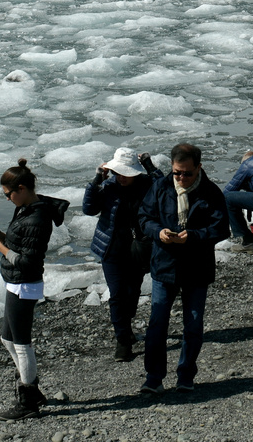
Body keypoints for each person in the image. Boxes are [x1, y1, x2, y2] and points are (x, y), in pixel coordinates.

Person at [0, 159, 68, 420]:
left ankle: (28, 399)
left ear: (21, 188)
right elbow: (21, 246)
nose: (7, 200)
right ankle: (31, 387)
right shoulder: (26, 209)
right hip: (16, 281)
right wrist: (2, 237)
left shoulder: (38, 217)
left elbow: (28, 262)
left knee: (21, 343)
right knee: (7, 339)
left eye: (8, 194)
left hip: (24, 284)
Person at [137, 143, 229, 395]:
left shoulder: (211, 192)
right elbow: (144, 218)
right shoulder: (160, 187)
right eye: (177, 172)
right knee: (157, 324)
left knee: (193, 324)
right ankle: (153, 378)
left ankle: (186, 375)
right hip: (164, 265)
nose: (181, 178)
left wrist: (195, 236)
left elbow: (221, 228)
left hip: (197, 268)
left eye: (187, 173)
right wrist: (158, 232)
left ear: (199, 168)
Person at [82, 147, 162, 362]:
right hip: (112, 247)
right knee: (117, 294)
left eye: (126, 173)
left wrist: (150, 166)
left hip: (139, 247)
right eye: (118, 173)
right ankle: (123, 341)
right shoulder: (109, 187)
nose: (121, 177)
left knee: (132, 291)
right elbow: (88, 209)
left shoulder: (148, 185)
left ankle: (126, 326)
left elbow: (167, 189)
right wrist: (96, 180)